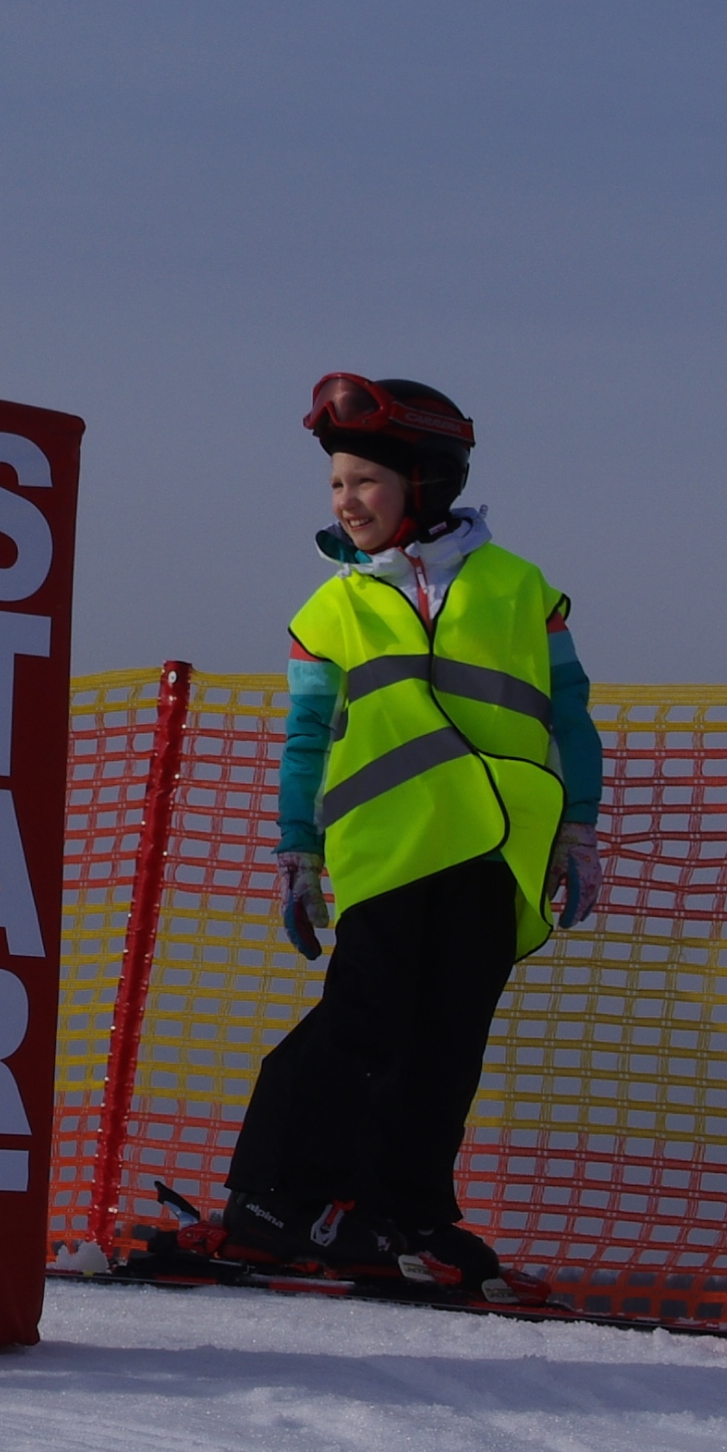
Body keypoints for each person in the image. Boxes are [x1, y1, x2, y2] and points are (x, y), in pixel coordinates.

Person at [216, 374, 603, 1302]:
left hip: (497, 849)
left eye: (365, 483)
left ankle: (405, 1210)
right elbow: (307, 737)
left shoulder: (519, 589)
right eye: (336, 486)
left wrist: (578, 831)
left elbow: (572, 714)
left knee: (448, 1037)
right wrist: (296, 848)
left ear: (424, 481)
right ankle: (274, 1198)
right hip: (387, 850)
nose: (346, 502)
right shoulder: (330, 610)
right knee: (364, 1024)